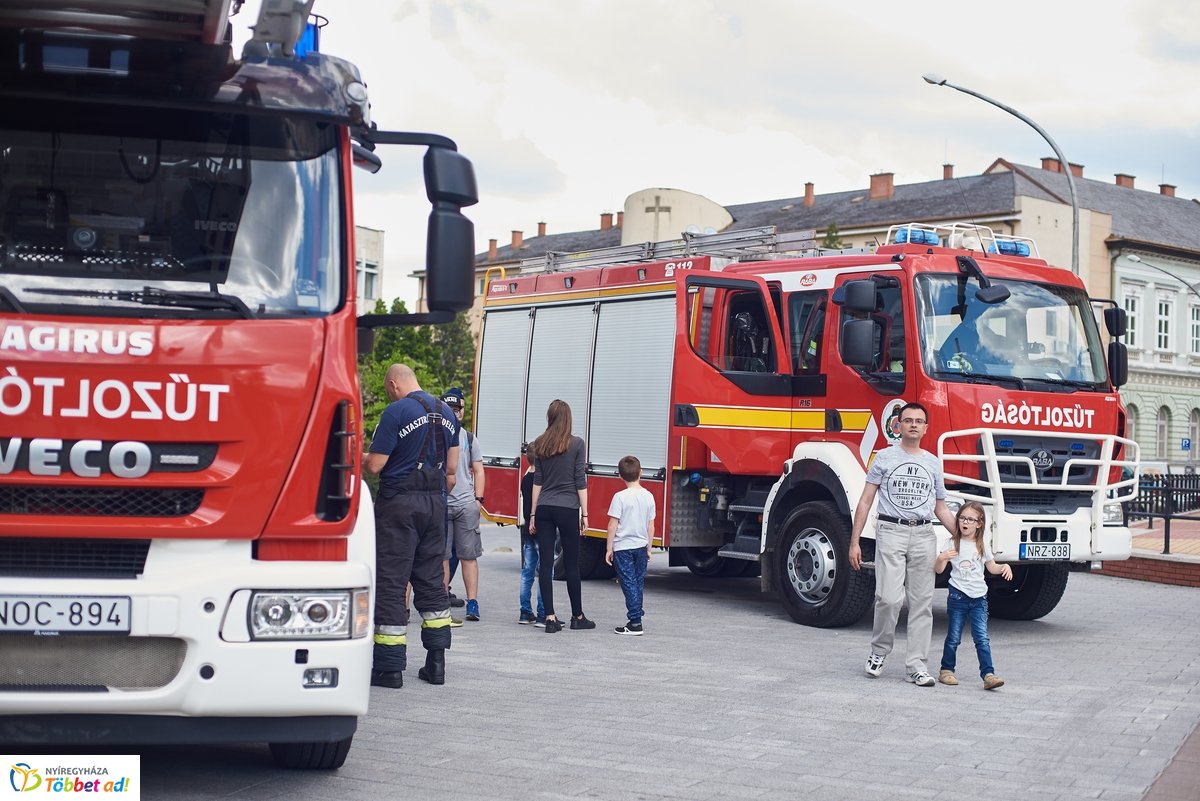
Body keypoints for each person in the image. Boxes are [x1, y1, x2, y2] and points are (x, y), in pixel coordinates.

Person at [363, 364, 459, 688]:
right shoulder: (449, 413)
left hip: (399, 506)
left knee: (392, 581)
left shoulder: (395, 412)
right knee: (432, 579)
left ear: (393, 384)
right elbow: (453, 470)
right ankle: (436, 664)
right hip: (435, 504)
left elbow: (376, 465)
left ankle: (389, 669)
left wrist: (362, 457)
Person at [848, 401, 956, 687]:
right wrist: (854, 541)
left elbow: (941, 507)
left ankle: (917, 666)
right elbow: (866, 500)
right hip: (890, 531)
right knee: (889, 598)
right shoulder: (883, 458)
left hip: (923, 535)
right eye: (907, 420)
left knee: (922, 603)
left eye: (919, 421)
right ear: (898, 425)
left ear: (925, 427)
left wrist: (965, 536)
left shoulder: (933, 462)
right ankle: (879, 651)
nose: (913, 425)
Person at [528, 399, 594, 633]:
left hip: (545, 507)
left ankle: (549, 618)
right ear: (568, 418)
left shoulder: (540, 443)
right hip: (567, 508)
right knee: (572, 565)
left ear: (550, 417)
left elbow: (538, 481)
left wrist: (533, 514)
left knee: (545, 564)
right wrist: (585, 514)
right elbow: (580, 481)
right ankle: (577, 616)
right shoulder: (577, 444)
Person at [935, 502, 1013, 690]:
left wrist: (1004, 567)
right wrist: (941, 558)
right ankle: (946, 670)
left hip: (979, 598)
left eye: (971, 519)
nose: (965, 522)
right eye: (962, 518)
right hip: (958, 597)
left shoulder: (982, 545)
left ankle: (988, 674)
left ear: (979, 523)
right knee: (954, 636)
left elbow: (991, 567)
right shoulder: (951, 543)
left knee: (982, 638)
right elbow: (938, 570)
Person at [441, 387, 485, 622]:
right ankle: (441, 602)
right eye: (449, 409)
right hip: (442, 504)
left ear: (462, 411)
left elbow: (479, 470)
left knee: (469, 556)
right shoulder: (436, 435)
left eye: (456, 409)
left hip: (466, 503)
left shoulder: (468, 437)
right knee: (443, 557)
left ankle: (473, 603)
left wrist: (478, 500)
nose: (453, 413)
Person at [605, 455, 655, 636]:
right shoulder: (649, 496)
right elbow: (651, 525)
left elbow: (613, 524)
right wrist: (649, 548)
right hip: (641, 546)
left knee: (628, 583)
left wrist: (609, 548)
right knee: (638, 582)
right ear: (641, 473)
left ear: (620, 476)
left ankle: (635, 622)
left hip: (623, 547)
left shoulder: (619, 497)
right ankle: (636, 616)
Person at [517, 464, 545, 625]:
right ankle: (543, 611)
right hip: (542, 529)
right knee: (545, 571)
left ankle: (525, 612)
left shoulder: (526, 479)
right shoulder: (542, 480)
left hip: (528, 528)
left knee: (527, 572)